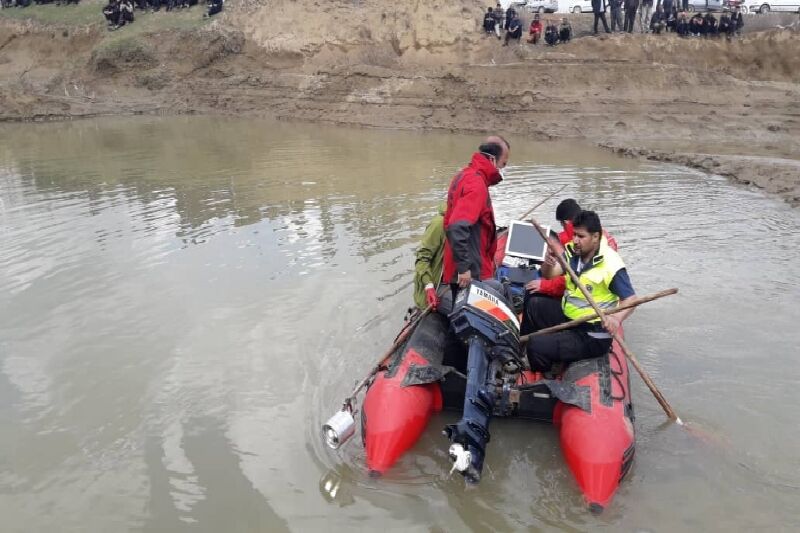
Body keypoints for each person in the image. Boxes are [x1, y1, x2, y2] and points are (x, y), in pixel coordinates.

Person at [524, 210, 636, 372]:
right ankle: (522, 349)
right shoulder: (572, 252)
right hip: (571, 319)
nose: (575, 240)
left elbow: (631, 300)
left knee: (536, 345)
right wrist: (547, 263)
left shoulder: (611, 263)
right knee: (534, 302)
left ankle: (548, 374)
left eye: (581, 236)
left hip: (592, 334)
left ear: (596, 237)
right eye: (574, 235)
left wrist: (616, 319)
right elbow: (550, 275)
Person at [443, 137, 510, 303]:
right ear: (493, 160)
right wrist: (464, 268)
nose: (504, 168)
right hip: (469, 271)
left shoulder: (463, 175)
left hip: (457, 264)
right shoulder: (476, 184)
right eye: (504, 163)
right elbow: (457, 226)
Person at [413, 203, 446, 311]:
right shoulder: (439, 224)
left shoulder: (466, 223)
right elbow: (422, 258)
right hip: (438, 285)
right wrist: (429, 286)